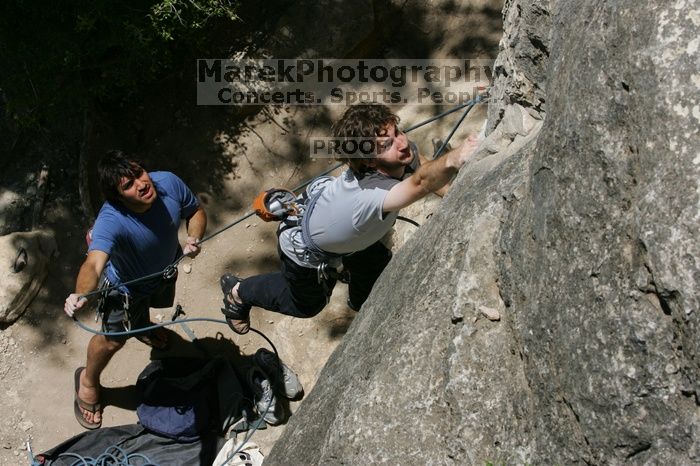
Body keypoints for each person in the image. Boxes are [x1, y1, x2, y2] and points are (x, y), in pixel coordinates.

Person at [220, 103, 480, 334]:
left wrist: (455, 196)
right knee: (308, 305)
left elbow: (418, 164)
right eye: (386, 144)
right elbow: (421, 181)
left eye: (397, 132)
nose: (401, 143)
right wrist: (457, 157)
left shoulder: (395, 156)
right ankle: (239, 293)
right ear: (367, 160)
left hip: (336, 224)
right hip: (303, 250)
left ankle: (358, 303)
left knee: (375, 261)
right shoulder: (369, 198)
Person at [64, 150, 207, 429]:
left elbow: (195, 210)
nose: (142, 183)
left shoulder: (167, 182)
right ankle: (87, 381)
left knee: (150, 310)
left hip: (163, 274)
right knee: (113, 340)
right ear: (117, 198)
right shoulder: (111, 220)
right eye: (127, 185)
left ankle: (142, 326)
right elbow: (93, 264)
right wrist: (80, 293)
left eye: (139, 173)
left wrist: (194, 236)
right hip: (125, 290)